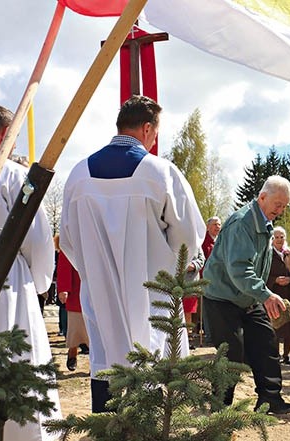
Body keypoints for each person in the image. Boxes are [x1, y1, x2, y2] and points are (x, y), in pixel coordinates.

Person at [60, 95, 205, 413]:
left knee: (105, 359)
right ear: (147, 128)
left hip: (101, 293)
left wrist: (94, 268)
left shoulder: (79, 175)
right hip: (152, 296)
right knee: (151, 360)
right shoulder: (160, 172)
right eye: (155, 132)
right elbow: (188, 238)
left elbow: (68, 239)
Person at [0, 104, 62, 441]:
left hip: (10, 272)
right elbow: (38, 240)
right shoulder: (14, 176)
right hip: (9, 278)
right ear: (4, 135)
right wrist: (38, 284)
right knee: (16, 355)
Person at [202, 176, 290, 415]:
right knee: (232, 353)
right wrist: (266, 294)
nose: (281, 209)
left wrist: (261, 296)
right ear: (262, 197)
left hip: (248, 297)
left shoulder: (265, 223)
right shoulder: (241, 222)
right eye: (278, 203)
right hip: (222, 297)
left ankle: (270, 400)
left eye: (285, 205)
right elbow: (239, 270)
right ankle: (220, 407)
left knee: (266, 342)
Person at [266, 226, 290, 365]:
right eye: (276, 237)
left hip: (289, 295)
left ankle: (287, 355)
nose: (279, 240)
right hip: (273, 295)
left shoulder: (289, 254)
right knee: (274, 327)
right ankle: (274, 355)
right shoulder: (267, 254)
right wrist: (274, 280)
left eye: (282, 237)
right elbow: (262, 274)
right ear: (272, 239)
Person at [56, 240, 90, 371]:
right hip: (77, 290)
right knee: (75, 327)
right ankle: (72, 351)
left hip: (96, 289)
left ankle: (95, 363)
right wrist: (63, 288)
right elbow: (64, 264)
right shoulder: (71, 238)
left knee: (96, 330)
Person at [200, 216, 221, 345]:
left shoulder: (221, 241)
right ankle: (209, 336)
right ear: (208, 227)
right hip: (207, 280)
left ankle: (218, 334)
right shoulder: (203, 242)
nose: (217, 227)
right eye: (214, 224)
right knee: (207, 309)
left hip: (220, 281)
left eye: (219, 224)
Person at [182, 248, 205, 349]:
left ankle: (187, 339)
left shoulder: (197, 243)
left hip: (191, 283)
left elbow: (201, 259)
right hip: (175, 282)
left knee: (188, 312)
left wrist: (193, 265)